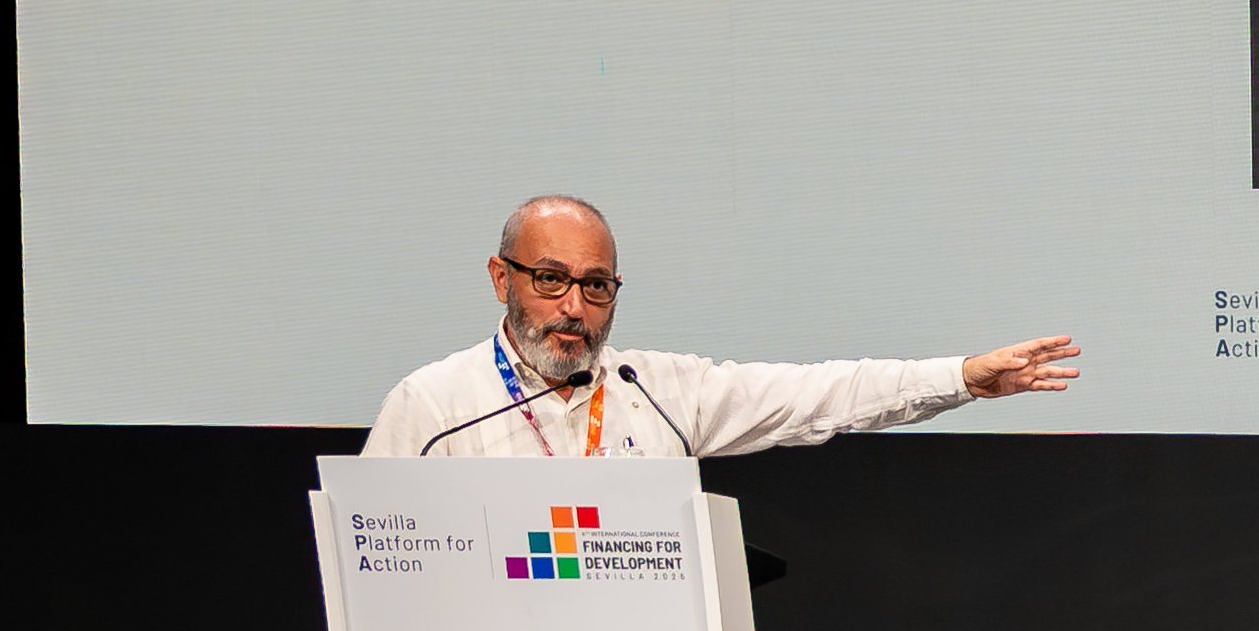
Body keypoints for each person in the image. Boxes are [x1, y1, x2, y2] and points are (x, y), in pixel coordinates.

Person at [355, 193, 1084, 461]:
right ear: (500, 276)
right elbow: (372, 573)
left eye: (597, 285)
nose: (573, 306)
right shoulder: (433, 409)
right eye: (550, 279)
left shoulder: (658, 391)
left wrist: (958, 378)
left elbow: (820, 395)